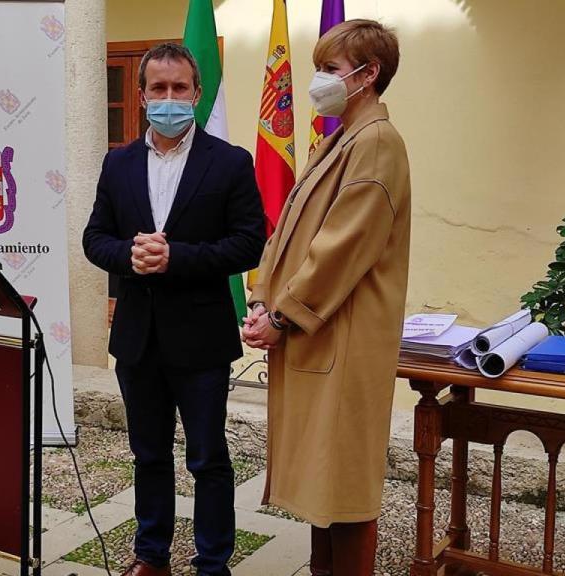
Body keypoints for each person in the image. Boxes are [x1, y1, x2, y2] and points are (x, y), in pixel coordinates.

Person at [83, 42, 266, 576]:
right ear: (141, 96)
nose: (169, 98)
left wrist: (177, 257)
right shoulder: (117, 163)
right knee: (149, 455)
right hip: (138, 337)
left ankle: (213, 562)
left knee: (207, 457)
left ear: (197, 92)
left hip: (201, 337)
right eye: (157, 89)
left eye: (178, 88)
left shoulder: (229, 163)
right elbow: (96, 238)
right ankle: (152, 554)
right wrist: (130, 256)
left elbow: (249, 243)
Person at [243, 19, 410, 576]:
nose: (319, 80)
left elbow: (342, 247)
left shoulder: (378, 142)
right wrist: (263, 300)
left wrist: (284, 317)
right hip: (316, 333)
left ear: (369, 75)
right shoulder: (341, 138)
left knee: (345, 482)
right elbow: (289, 228)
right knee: (322, 479)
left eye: (331, 70)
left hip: (344, 338)